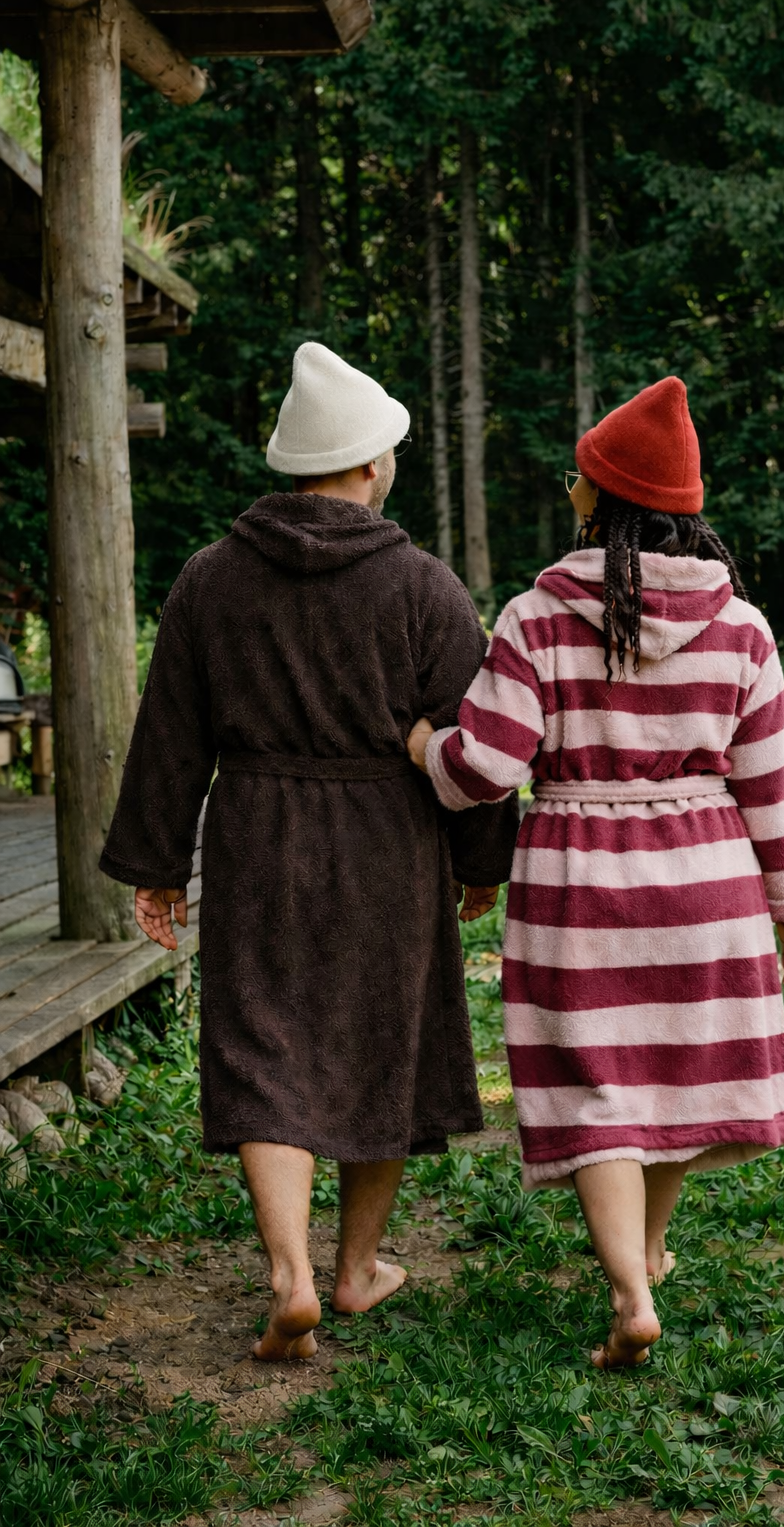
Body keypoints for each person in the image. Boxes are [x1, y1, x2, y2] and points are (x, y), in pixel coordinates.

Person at [407, 376, 784, 1370]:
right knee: (671, 1071)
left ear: (604, 499)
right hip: (708, 881)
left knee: (596, 1083)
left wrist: (427, 748)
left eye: (580, 477)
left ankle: (632, 1294)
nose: (570, 489)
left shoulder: (536, 617)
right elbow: (774, 777)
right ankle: (644, 1251)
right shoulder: (741, 627)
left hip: (579, 885)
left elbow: (486, 769)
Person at [100, 342, 518, 1361]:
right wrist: (480, 861)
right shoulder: (425, 588)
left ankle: (288, 1275)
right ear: (370, 464)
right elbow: (471, 740)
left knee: (262, 1045)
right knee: (383, 1041)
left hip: (256, 838)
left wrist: (158, 863)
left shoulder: (209, 581)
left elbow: (171, 732)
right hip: (389, 843)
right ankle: (354, 1270)